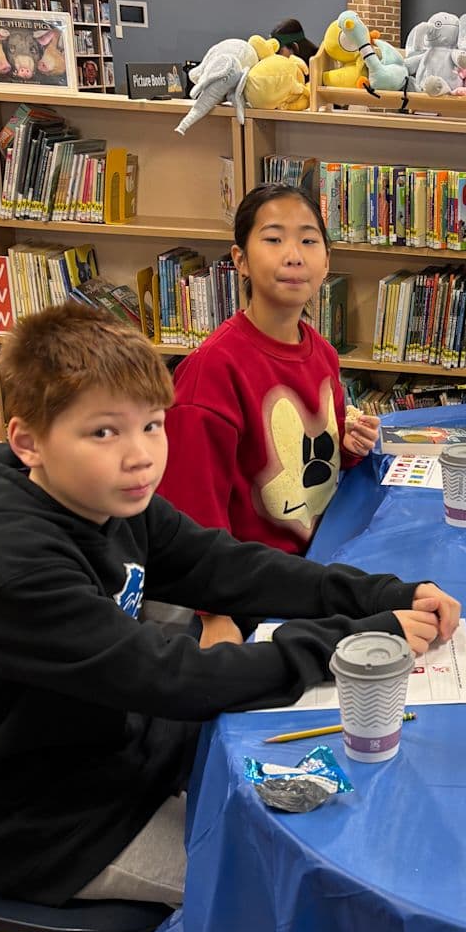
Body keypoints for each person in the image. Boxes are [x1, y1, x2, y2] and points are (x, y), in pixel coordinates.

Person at [0, 302, 459, 932]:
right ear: (26, 440)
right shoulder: (6, 557)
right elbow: (168, 675)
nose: (141, 451)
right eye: (103, 431)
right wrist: (344, 643)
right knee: (275, 891)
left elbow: (228, 565)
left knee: (306, 804)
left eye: (150, 423)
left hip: (105, 748)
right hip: (30, 815)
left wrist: (379, 590)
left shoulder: (110, 497)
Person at [160, 184, 381, 647]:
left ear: (326, 262)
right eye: (274, 238)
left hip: (318, 559)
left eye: (308, 240)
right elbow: (192, 510)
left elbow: (309, 454)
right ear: (239, 260)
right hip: (252, 590)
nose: (293, 255)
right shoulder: (212, 371)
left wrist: (349, 445)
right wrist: (215, 613)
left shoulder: (321, 351)